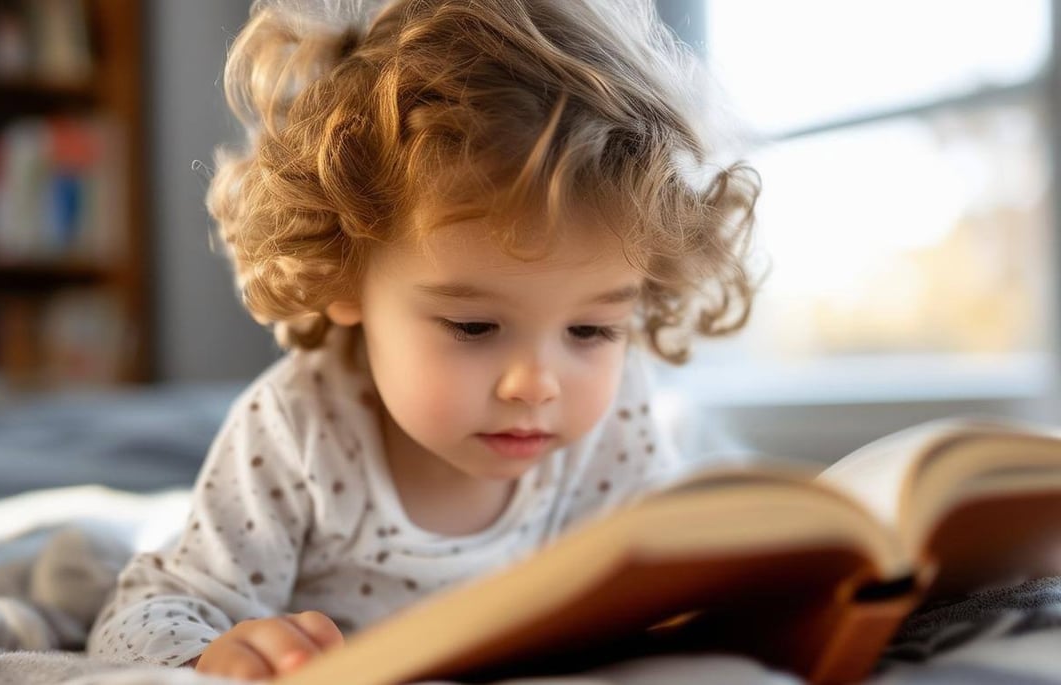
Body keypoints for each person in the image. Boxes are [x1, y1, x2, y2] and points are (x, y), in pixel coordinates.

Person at [88, 0, 760, 679]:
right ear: (345, 271)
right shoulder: (296, 433)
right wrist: (215, 654)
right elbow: (139, 621)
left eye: (591, 329)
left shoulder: (614, 422)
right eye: (474, 326)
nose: (535, 382)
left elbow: (651, 587)